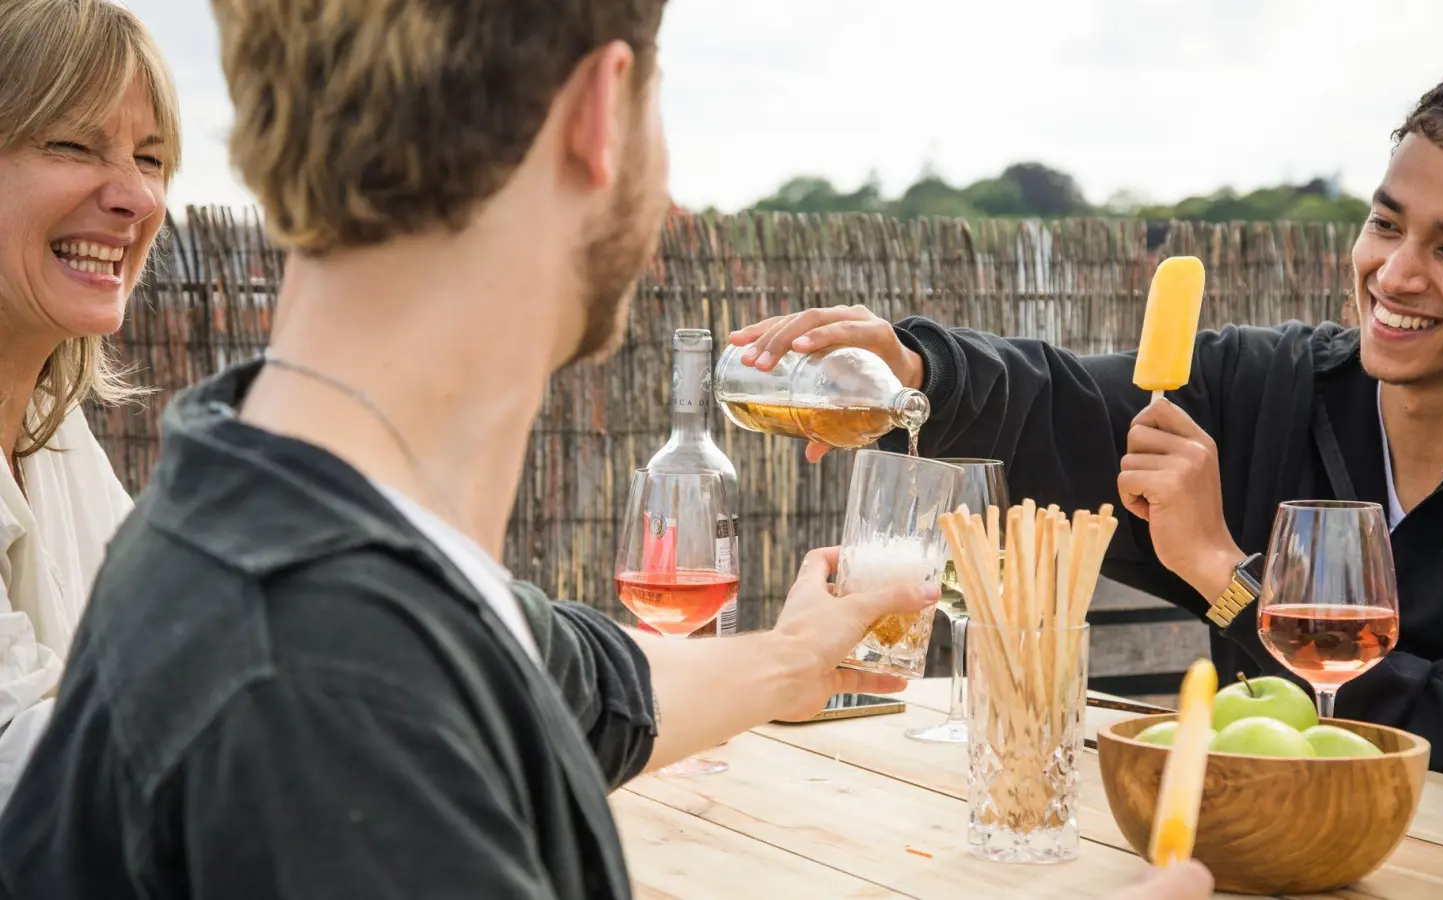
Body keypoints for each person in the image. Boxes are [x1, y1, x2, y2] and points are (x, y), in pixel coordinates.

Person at [0, 1, 945, 898]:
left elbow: (559, 675)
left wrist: (794, 659)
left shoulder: (273, 517)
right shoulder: (332, 706)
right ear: (600, 111)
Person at [729, 59, 1443, 782]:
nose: (1395, 274)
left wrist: (1222, 571)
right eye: (1385, 224)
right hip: (1251, 842)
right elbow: (1053, 404)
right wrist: (917, 370)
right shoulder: (1265, 387)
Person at [0, 0, 179, 810]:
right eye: (72, 144)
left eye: (152, 157)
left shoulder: (59, 442)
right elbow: (32, 776)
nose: (138, 198)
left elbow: (171, 644)